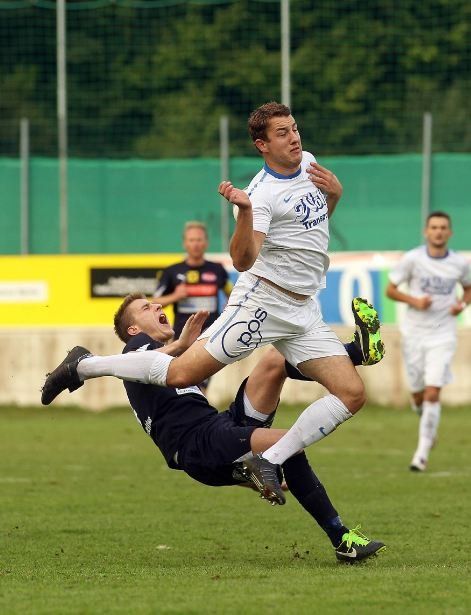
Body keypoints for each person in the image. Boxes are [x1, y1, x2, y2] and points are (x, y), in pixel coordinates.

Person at [41, 102, 385, 498]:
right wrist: (245, 211)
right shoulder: (261, 195)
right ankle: (85, 365)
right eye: (282, 133)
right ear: (262, 145)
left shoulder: (308, 163)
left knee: (352, 394)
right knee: (181, 375)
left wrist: (334, 196)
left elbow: (313, 224)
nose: (294, 137)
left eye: (294, 128)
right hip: (265, 303)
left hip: (303, 309)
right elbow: (242, 260)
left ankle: (272, 458)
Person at [42, 293, 385, 562]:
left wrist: (247, 477)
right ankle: (342, 540)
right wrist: (181, 345)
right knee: (288, 443)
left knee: (274, 361)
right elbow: (142, 364)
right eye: (146, 307)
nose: (158, 306)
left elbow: (178, 376)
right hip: (199, 444)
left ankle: (357, 352)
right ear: (133, 329)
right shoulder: (135, 349)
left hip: (217, 428)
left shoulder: (166, 359)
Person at [386, 211, 471, 472]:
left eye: (443, 227)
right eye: (434, 227)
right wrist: (415, 301)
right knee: (418, 395)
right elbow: (391, 289)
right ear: (426, 231)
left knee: (433, 391)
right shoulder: (413, 259)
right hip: (414, 333)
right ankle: (428, 427)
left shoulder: (459, 263)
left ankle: (421, 454)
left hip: (443, 334)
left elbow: (468, 288)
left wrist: (461, 304)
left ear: (450, 232)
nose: (438, 232)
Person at [153, 221, 233, 391]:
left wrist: (229, 308)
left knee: (201, 384)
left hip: (210, 337)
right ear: (185, 243)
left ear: (206, 243)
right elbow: (154, 303)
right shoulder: (172, 272)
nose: (195, 244)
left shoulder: (217, 269)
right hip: (181, 338)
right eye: (191, 240)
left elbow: (232, 294)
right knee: (180, 384)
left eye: (199, 240)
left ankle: (200, 407)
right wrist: (175, 296)